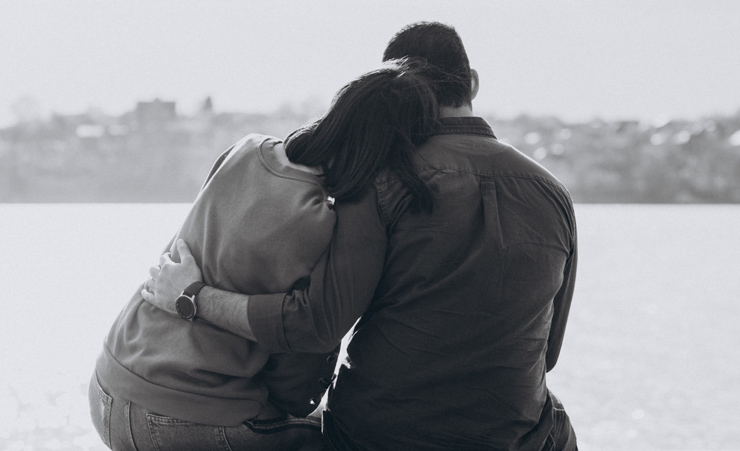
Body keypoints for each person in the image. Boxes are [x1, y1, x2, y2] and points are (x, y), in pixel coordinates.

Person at [146, 22, 579, 451]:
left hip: (376, 435)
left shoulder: (385, 179)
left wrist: (194, 297)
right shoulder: (554, 194)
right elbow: (548, 355)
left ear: (398, 95)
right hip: (507, 437)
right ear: (473, 83)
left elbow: (318, 324)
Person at [89, 58, 440, 451]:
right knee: (345, 440)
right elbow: (298, 369)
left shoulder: (245, 149)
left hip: (110, 385)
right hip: (188, 416)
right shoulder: (325, 221)